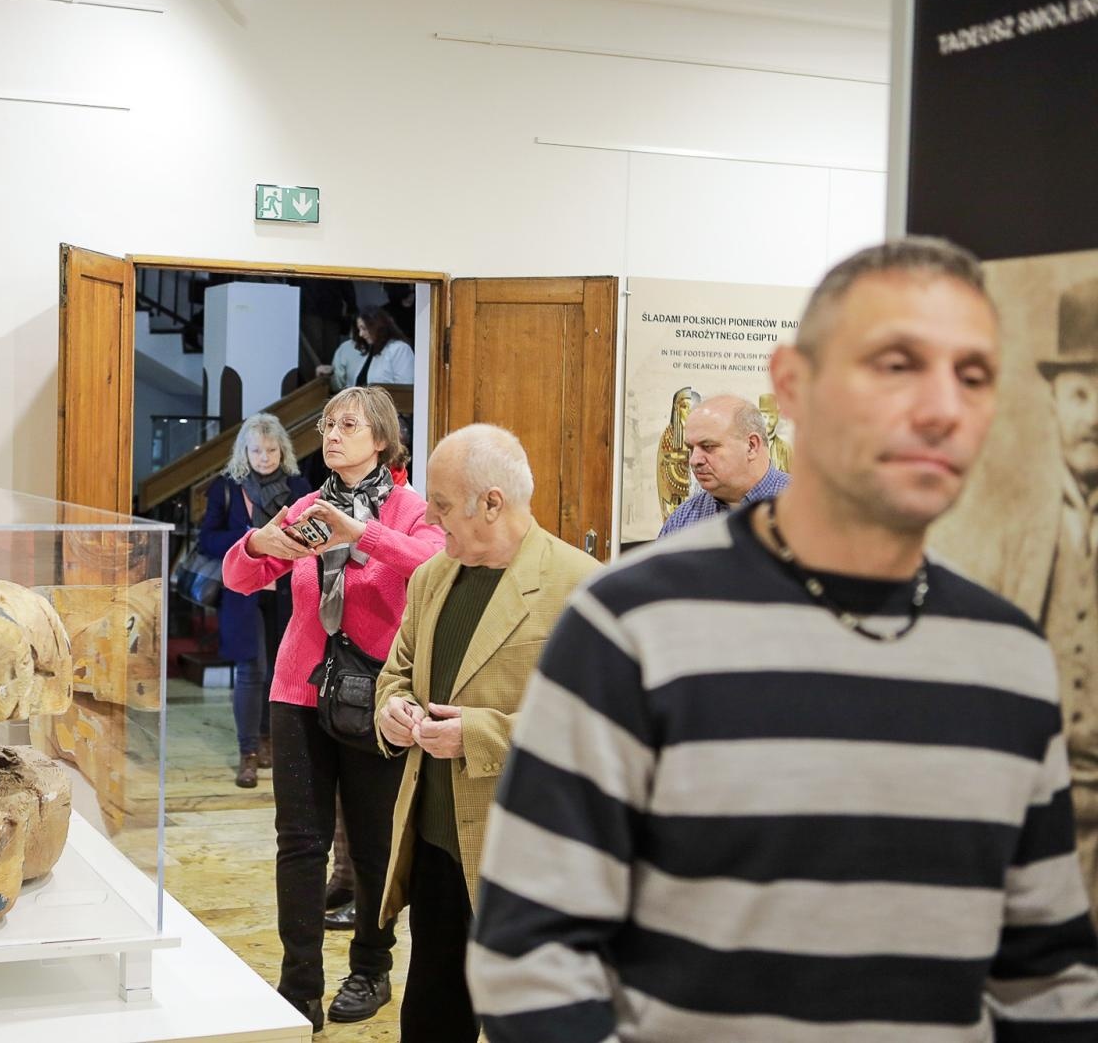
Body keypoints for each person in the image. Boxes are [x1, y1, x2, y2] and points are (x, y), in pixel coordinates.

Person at [469, 237, 1098, 1041]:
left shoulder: (1007, 656)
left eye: (972, 376)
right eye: (896, 364)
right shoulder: (630, 628)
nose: (941, 406)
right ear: (793, 387)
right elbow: (532, 949)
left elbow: (1045, 971)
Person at [223, 385, 443, 1032]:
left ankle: (371, 969)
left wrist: (363, 534)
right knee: (299, 844)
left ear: (381, 439)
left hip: (378, 696)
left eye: (348, 424)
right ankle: (299, 988)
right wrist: (261, 546)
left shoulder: (409, 508)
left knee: (374, 847)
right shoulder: (309, 507)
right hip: (298, 692)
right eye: (327, 422)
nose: (333, 432)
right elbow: (240, 579)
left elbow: (432, 563)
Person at [375, 424, 601, 1043]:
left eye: (441, 505)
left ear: (492, 503)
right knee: (431, 1016)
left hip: (528, 860)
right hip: (439, 845)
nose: (428, 516)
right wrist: (392, 710)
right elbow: (396, 672)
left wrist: (481, 734)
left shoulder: (581, 586)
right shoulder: (431, 578)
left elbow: (598, 728)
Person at [974, 276, 1098, 919]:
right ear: (1054, 399)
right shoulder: (1014, 540)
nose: (1094, 417)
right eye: (1080, 394)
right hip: (1030, 821)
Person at [198, 413, 310, 788]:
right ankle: (247, 752)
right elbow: (206, 540)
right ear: (244, 451)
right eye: (257, 450)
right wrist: (247, 539)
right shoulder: (227, 487)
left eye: (272, 450)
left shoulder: (298, 486)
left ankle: (267, 740)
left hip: (288, 592)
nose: (264, 457)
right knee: (251, 670)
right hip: (243, 593)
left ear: (283, 450)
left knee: (279, 671)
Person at [657, 394, 788, 536]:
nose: (694, 460)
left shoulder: (808, 508)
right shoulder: (682, 521)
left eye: (708, 446)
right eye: (691, 449)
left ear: (751, 446)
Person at [655, 387, 699, 519]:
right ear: (676, 408)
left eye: (693, 408)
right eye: (684, 406)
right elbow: (664, 471)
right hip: (676, 495)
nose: (689, 411)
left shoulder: (706, 433)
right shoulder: (670, 434)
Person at [354, 307, 415, 386]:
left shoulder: (400, 349)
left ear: (377, 326)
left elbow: (405, 389)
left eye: (364, 328)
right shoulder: (369, 351)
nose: (360, 334)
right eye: (359, 329)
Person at [758, 391, 793, 472]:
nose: (768, 422)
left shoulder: (785, 449)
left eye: (772, 417)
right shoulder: (750, 447)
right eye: (765, 417)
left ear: (777, 418)